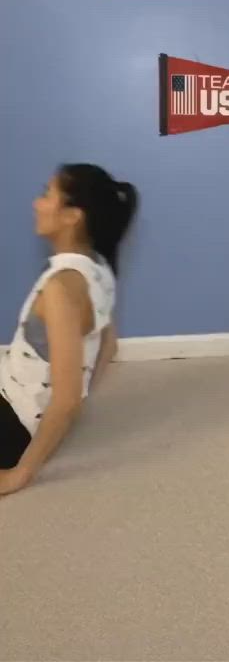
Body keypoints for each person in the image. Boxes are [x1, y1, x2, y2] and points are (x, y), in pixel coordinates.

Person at [0, 164, 138, 495]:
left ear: (72, 216)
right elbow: (109, 346)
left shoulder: (61, 288)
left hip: (13, 422)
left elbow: (67, 400)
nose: (37, 203)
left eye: (47, 195)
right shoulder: (98, 268)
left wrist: (21, 474)